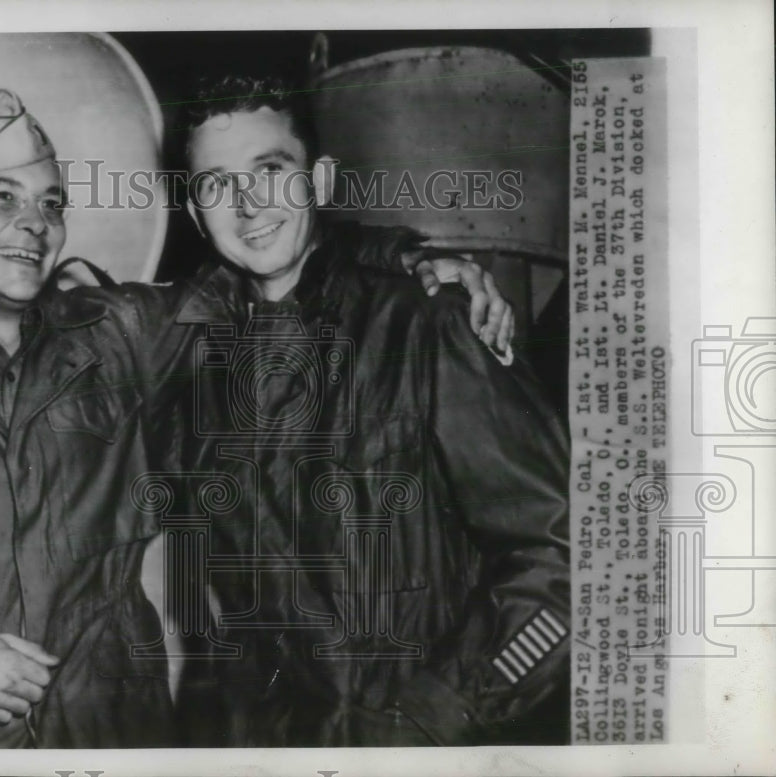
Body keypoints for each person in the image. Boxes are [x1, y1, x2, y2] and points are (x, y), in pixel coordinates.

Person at [0, 87, 511, 749]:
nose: (34, 222)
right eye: (2, 197)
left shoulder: (118, 342)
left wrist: (414, 258)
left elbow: (266, 262)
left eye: (52, 204)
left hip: (112, 740)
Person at [152, 75, 572, 746]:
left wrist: (441, 711)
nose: (248, 204)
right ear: (197, 212)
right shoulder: (191, 364)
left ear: (318, 180)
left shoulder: (425, 322)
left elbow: (560, 556)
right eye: (216, 184)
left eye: (270, 171)